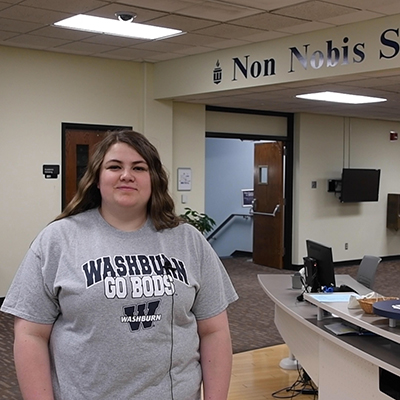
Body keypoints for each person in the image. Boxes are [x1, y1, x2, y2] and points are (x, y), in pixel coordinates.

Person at [1, 130, 238, 400]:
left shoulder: (188, 241)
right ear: (97, 179)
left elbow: (214, 332)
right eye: (114, 167)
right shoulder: (58, 240)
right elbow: (30, 335)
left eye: (139, 167)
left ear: (154, 180)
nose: (127, 175)